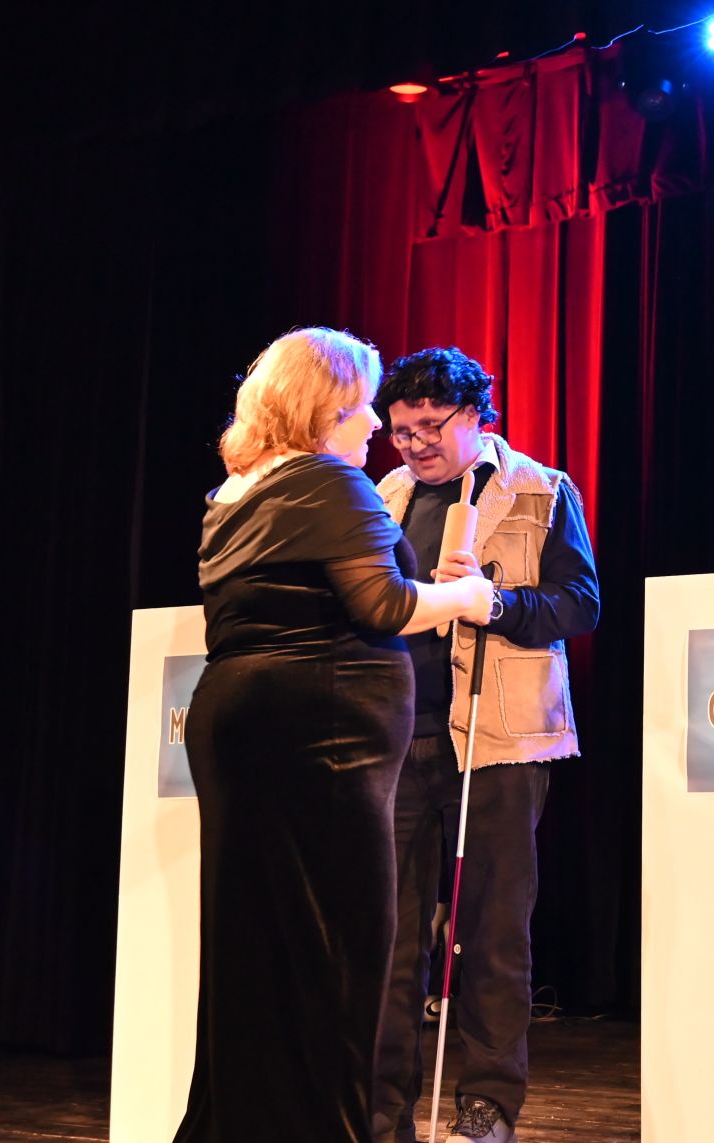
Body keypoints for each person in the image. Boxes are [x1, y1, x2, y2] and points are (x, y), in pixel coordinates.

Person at [181, 328, 494, 1142]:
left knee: (257, 944)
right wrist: (466, 599)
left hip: (245, 723)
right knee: (336, 951)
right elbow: (383, 605)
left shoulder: (235, 492)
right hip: (318, 740)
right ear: (325, 410)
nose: (375, 426)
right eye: (362, 406)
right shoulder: (328, 481)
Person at [370, 347, 601, 1143]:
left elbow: (579, 603)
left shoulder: (541, 488)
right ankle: (382, 1110)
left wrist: (492, 601)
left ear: (474, 416)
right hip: (401, 738)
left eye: (431, 426)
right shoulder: (384, 496)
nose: (415, 444)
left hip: (500, 739)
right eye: (401, 431)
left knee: (494, 930)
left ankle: (488, 1105)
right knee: (392, 935)